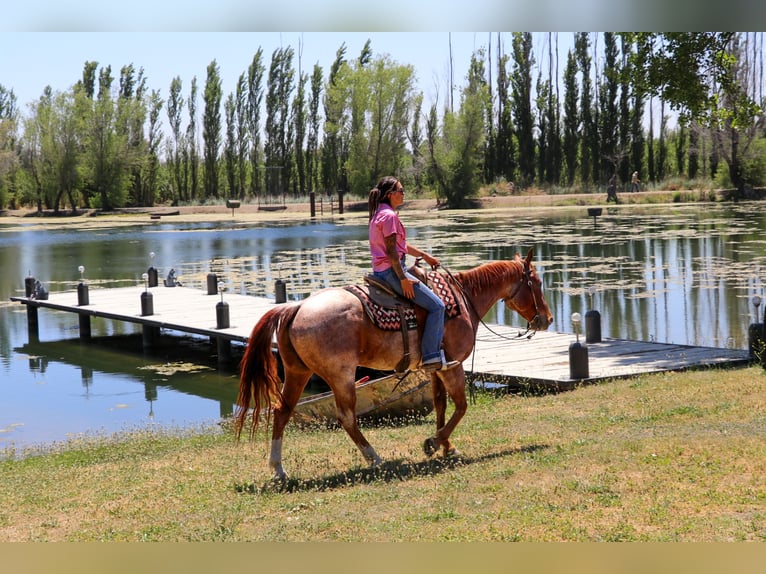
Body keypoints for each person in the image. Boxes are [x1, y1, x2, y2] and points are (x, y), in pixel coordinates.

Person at [368, 176, 459, 372]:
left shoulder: (380, 214)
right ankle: (431, 357)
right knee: (438, 306)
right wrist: (403, 280)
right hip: (392, 272)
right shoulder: (390, 217)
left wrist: (424, 255)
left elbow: (399, 245)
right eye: (401, 190)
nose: (403, 194)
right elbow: (392, 252)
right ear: (390, 194)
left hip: (381, 270)